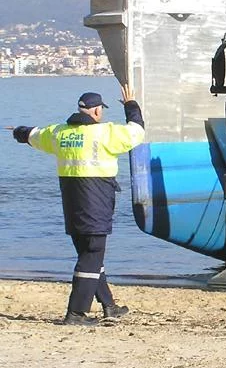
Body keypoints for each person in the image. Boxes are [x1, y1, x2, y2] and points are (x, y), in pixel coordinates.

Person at [11, 84, 146, 326]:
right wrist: (131, 105)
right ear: (96, 112)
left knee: (88, 253)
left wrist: (18, 132)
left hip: (71, 203)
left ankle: (109, 306)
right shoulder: (105, 133)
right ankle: (76, 313)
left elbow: (33, 135)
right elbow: (136, 132)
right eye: (101, 110)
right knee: (93, 253)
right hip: (96, 199)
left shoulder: (60, 133)